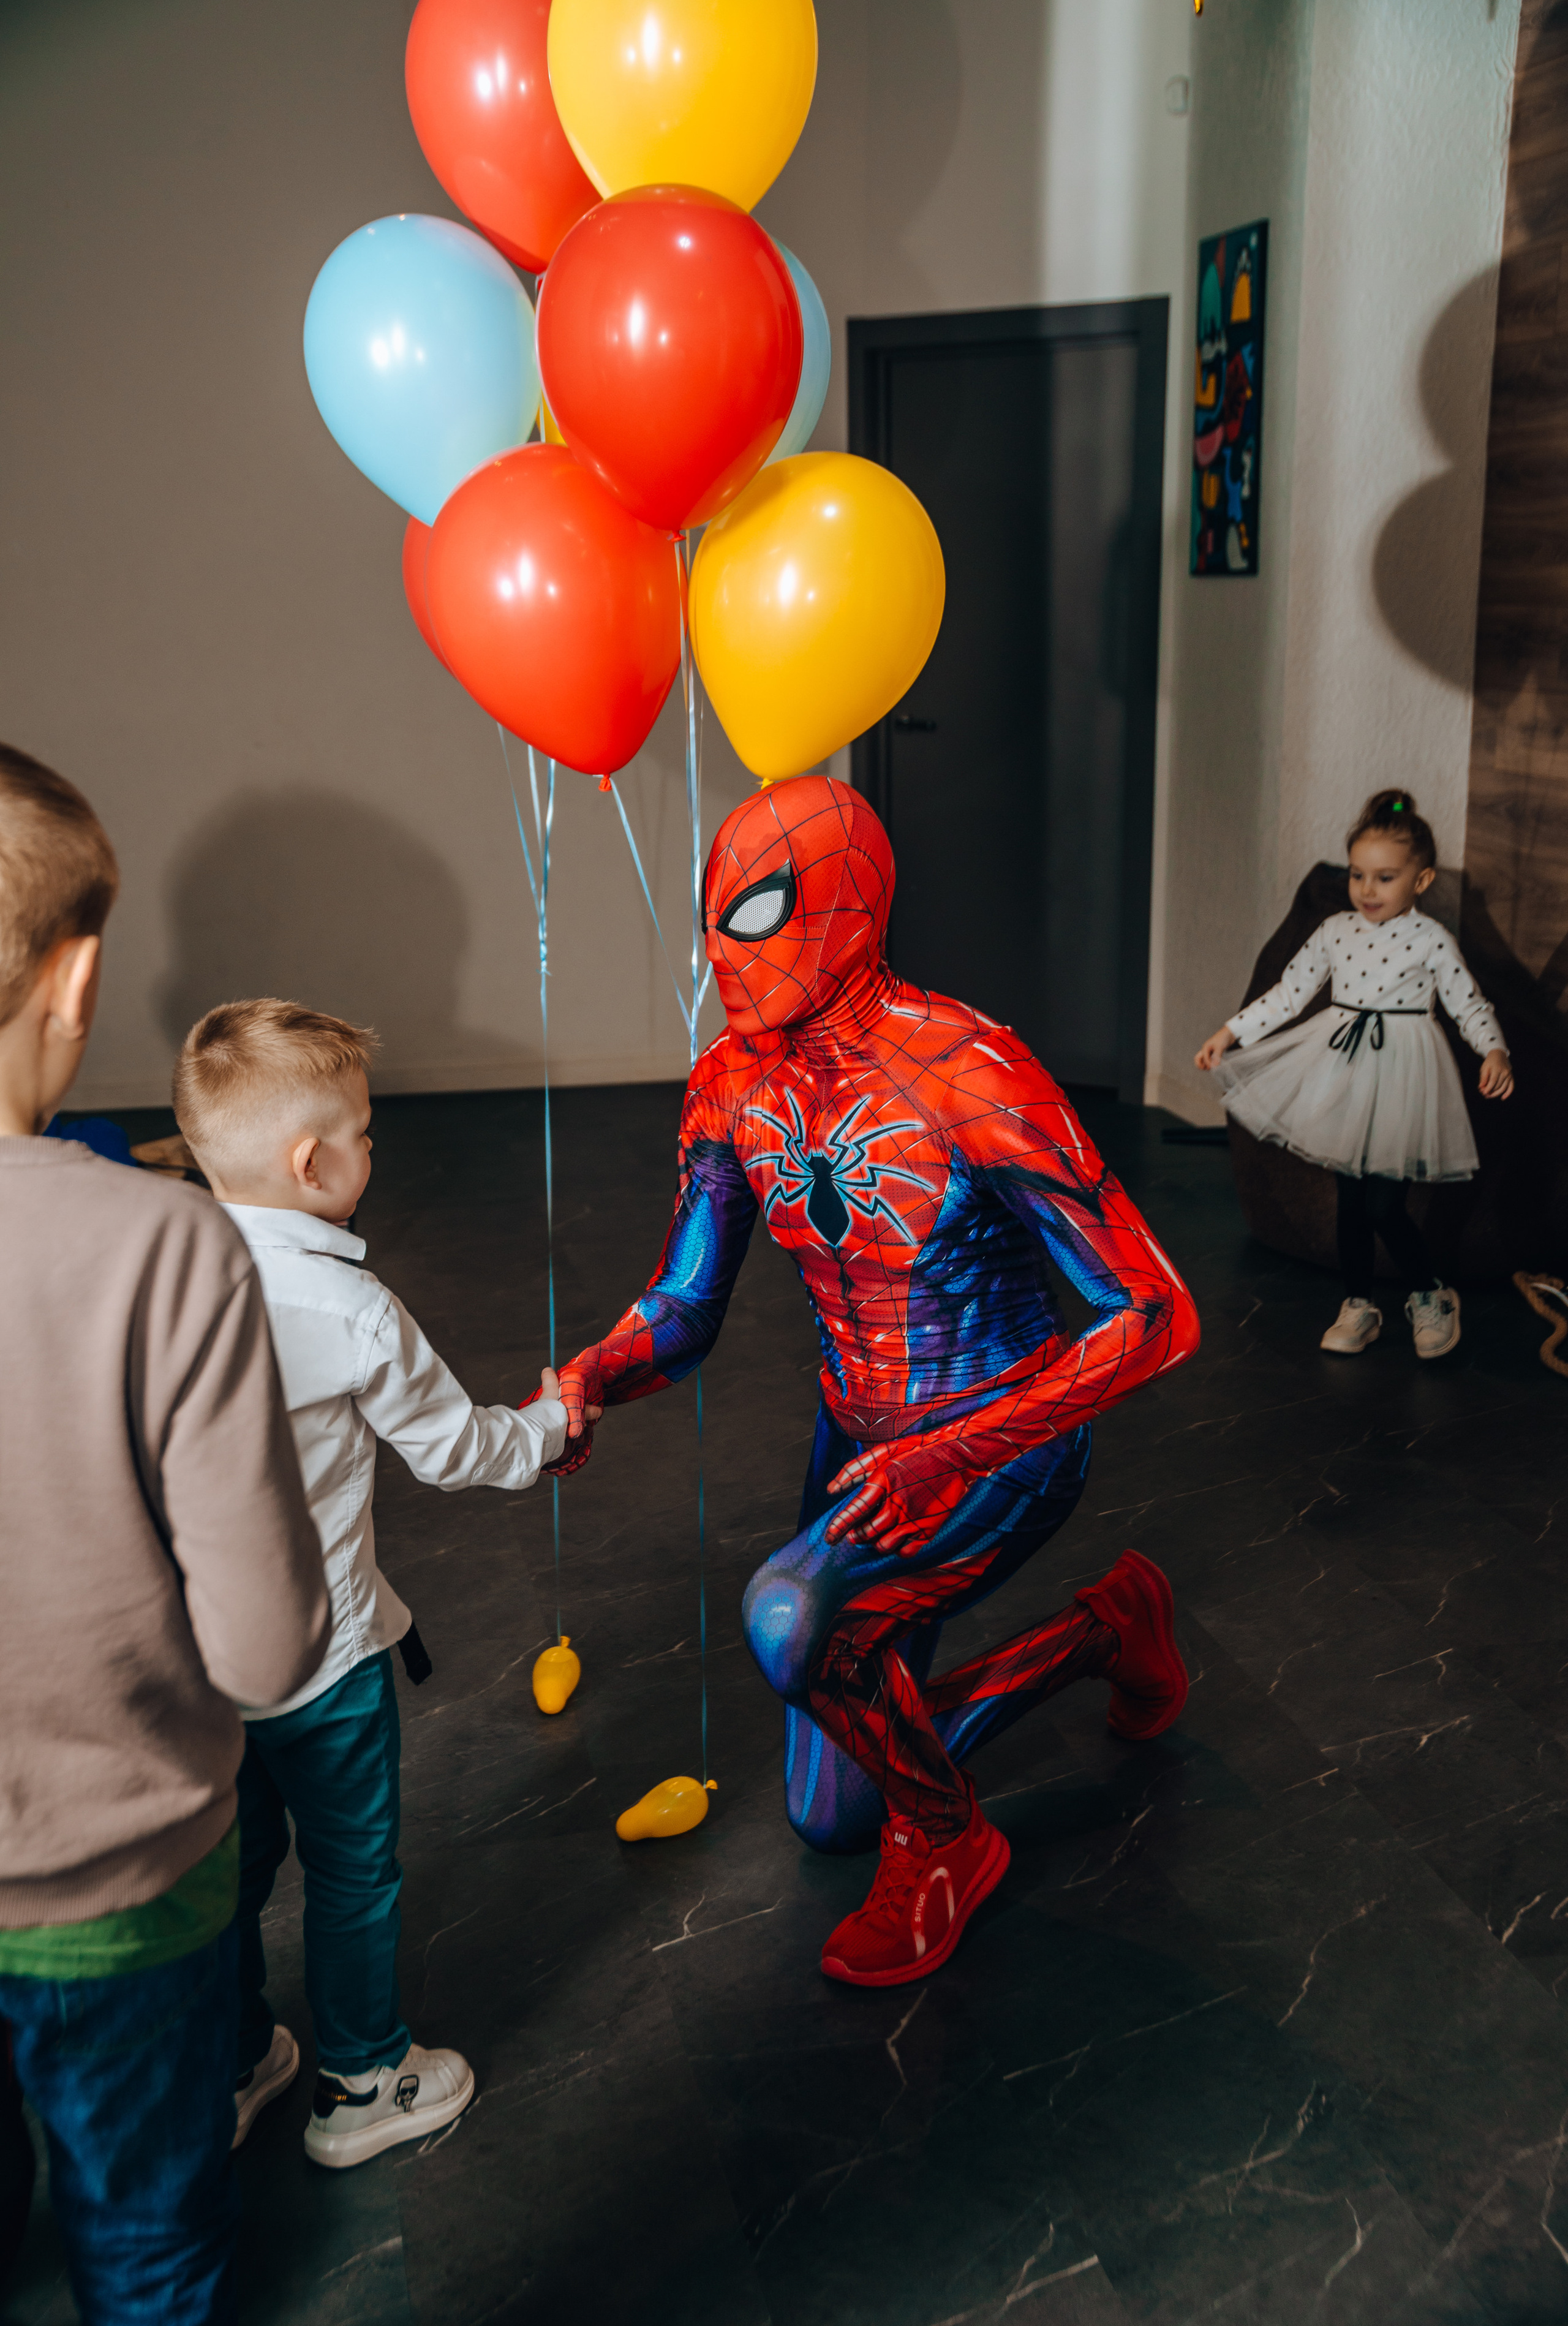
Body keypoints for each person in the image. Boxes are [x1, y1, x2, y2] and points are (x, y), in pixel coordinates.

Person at [552, 779, 1199, 1989]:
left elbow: (1155, 1313)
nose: (722, 954)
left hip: (997, 1437)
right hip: (851, 1444)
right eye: (712, 917)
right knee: (831, 1814)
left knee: (792, 1620)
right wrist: (594, 1372)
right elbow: (686, 1305)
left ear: (850, 913)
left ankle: (952, 1845)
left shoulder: (968, 1070)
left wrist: (946, 1454)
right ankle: (1105, 1626)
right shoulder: (730, 1085)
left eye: (757, 914)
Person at [0, 748, 331, 2324]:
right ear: (74, 981)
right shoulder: (168, 1244)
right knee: (147, 2251)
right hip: (121, 1897)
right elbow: (265, 1647)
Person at [172, 999, 576, 2167]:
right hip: (328, 1658)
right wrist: (552, 1422)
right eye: (363, 1132)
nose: (368, 1150)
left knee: (230, 1870)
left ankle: (239, 2058)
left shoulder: (163, 1278)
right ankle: (361, 2082)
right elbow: (459, 1448)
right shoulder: (349, 1306)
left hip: (200, 1660)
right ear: (312, 1163)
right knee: (353, 1870)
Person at [1195, 787, 1513, 1359]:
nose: (1368, 890)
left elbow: (1470, 1004)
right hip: (1342, 1066)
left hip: (1404, 1075)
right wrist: (1230, 1032)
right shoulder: (1335, 930)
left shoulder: (1432, 940)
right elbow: (1289, 994)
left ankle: (1431, 1294)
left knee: (1383, 1206)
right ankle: (1359, 1303)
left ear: (1421, 881)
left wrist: (1493, 1051)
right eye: (1358, 875)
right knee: (1350, 1201)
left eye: (1385, 878)